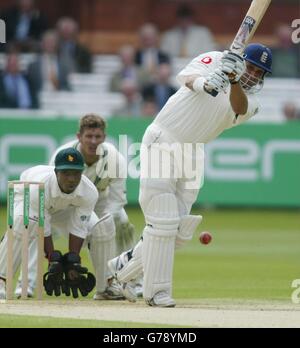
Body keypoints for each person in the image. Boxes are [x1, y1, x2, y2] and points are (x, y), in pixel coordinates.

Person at [108, 43, 273, 307]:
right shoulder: (218, 58)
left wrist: (231, 80)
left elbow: (238, 108)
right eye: (251, 67)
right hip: (165, 138)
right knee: (163, 220)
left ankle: (121, 269)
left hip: (194, 153)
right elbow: (186, 77)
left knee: (180, 231)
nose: (254, 74)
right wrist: (206, 84)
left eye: (260, 72)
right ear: (242, 60)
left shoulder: (251, 101)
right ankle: (156, 292)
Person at [14, 114, 137, 300]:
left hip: (99, 202)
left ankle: (122, 282)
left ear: (104, 137)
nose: (93, 141)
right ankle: (27, 284)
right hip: (63, 203)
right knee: (35, 225)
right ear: (79, 136)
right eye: (89, 136)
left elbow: (117, 200)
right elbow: (48, 191)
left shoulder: (114, 159)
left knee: (118, 222)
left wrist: (98, 225)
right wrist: (54, 257)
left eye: (98, 137)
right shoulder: (63, 153)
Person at [0, 147, 99, 299]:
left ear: (82, 172)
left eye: (76, 173)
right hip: (26, 193)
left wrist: (72, 261)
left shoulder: (89, 191)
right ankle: (2, 280)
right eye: (66, 173)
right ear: (56, 172)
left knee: (99, 228)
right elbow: (43, 228)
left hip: (64, 207)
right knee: (24, 223)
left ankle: (108, 286)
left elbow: (79, 226)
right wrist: (53, 259)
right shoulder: (38, 188)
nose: (71, 179)